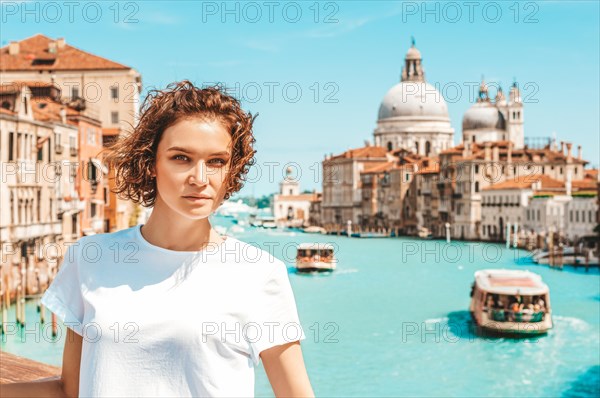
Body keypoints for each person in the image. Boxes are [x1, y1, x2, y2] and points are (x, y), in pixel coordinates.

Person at [0, 80, 314, 397]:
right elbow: (71, 389)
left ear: (231, 170)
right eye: (181, 158)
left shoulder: (259, 273)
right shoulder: (90, 257)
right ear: (150, 163)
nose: (200, 179)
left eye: (216, 161)